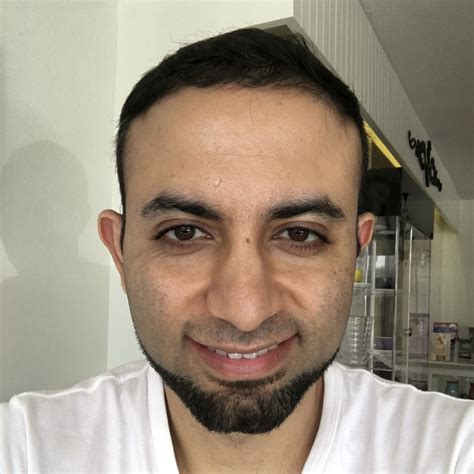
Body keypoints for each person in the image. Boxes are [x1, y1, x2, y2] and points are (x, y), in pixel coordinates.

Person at [1, 28, 472, 473]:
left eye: (300, 234)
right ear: (120, 253)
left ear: (356, 250)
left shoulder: (453, 450)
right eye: (184, 233)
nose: (245, 313)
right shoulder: (24, 449)